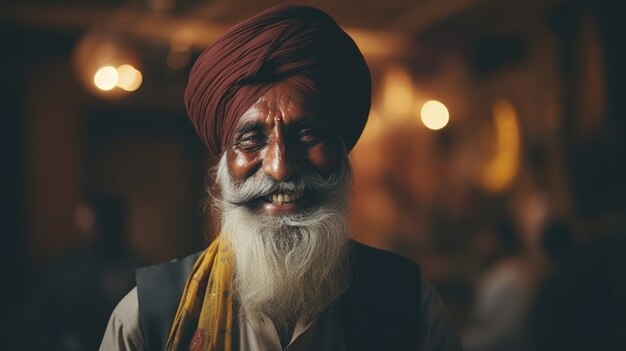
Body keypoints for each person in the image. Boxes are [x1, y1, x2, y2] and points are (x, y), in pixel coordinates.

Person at [101, 5, 462, 351]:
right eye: (252, 139)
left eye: (306, 134)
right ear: (224, 165)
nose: (280, 167)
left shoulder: (410, 306)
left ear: (342, 154)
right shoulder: (147, 318)